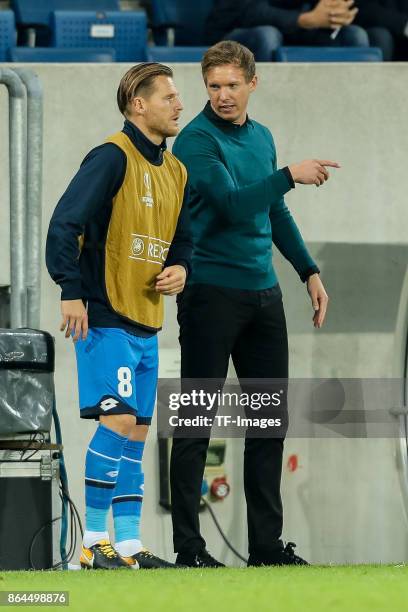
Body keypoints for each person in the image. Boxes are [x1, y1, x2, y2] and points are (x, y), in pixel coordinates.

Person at [170, 40, 337, 568]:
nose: (222, 95)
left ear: (252, 83)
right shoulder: (195, 142)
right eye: (213, 86)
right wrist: (289, 173)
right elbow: (234, 205)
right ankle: (189, 549)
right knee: (196, 421)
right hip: (209, 294)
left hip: (263, 296)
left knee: (268, 425)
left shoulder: (260, 137)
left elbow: (274, 213)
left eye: (231, 85)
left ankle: (266, 547)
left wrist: (307, 269)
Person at [46, 62, 192, 570]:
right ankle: (92, 544)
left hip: (147, 319)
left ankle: (128, 545)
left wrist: (180, 268)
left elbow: (183, 238)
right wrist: (70, 288)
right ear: (139, 105)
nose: (179, 104)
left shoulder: (176, 171)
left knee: (136, 432)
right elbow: (66, 221)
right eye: (169, 97)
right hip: (104, 313)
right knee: (117, 421)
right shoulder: (111, 156)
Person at [205, 0, 371, 61]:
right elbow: (248, 12)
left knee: (354, 36)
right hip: (235, 32)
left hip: (294, 32)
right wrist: (305, 19)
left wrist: (337, 12)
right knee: (267, 36)